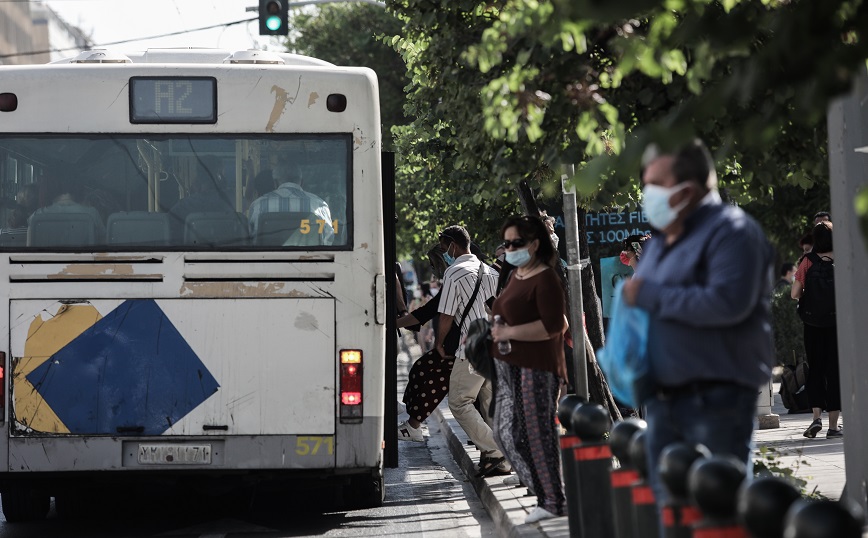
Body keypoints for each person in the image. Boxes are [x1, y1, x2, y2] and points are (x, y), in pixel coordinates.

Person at [621, 140, 774, 526]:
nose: (646, 192)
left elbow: (727, 302)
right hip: (663, 399)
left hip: (715, 399)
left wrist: (650, 294)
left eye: (655, 183)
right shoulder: (664, 238)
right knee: (673, 516)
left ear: (687, 187)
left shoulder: (732, 231)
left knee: (717, 515)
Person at [490, 215, 568, 524]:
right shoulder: (516, 276)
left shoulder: (545, 277)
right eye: (506, 243)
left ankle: (552, 500)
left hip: (537, 366)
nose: (510, 248)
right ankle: (548, 495)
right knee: (507, 432)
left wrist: (509, 333)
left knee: (536, 434)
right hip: (511, 366)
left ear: (534, 245)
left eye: (517, 243)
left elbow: (554, 326)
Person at [433, 225, 509, 476]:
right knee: (487, 403)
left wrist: (439, 342)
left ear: (452, 244)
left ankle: (499, 449)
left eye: (444, 247)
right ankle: (499, 460)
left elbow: (445, 315)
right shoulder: (489, 271)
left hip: (470, 349)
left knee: (459, 402)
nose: (444, 252)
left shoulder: (454, 273)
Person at [791, 221, 841, 439]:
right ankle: (833, 426)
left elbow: (794, 294)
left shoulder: (807, 262)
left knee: (816, 369)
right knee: (834, 371)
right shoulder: (842, 259)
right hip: (837, 324)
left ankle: (815, 418)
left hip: (812, 324)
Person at [247, 160, 333, 244]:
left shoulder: (259, 205)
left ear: (275, 182)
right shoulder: (319, 205)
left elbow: (252, 238)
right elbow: (328, 239)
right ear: (302, 182)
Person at [168, 156, 234, 241]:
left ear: (198, 177)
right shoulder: (232, 199)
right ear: (219, 175)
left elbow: (168, 224)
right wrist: (250, 172)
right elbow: (249, 201)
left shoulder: (183, 205)